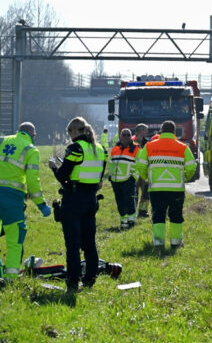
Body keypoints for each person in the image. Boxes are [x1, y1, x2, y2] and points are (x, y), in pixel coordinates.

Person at [49, 117, 106, 293]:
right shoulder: (100, 149)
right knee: (89, 242)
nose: (69, 135)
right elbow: (98, 177)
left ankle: (73, 280)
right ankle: (90, 277)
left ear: (74, 131)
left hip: (74, 199)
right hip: (91, 199)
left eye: (69, 132)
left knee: (73, 243)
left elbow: (62, 175)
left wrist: (54, 167)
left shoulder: (75, 148)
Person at [0, 122, 51, 283]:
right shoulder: (31, 150)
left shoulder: (2, 141)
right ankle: (10, 279)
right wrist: (42, 205)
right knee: (15, 241)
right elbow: (33, 181)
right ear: (33, 135)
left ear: (18, 131)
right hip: (12, 201)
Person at [136, 120, 196, 254]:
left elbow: (140, 164)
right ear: (174, 131)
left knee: (158, 215)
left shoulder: (149, 146)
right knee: (176, 215)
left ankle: (159, 244)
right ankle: (176, 243)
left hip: (157, 189)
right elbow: (192, 166)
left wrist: (147, 177)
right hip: (176, 189)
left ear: (161, 131)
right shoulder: (183, 147)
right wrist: (184, 178)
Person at [108, 129, 139, 230]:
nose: (126, 137)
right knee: (120, 202)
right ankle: (123, 221)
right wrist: (110, 175)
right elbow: (110, 163)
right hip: (115, 180)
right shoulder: (115, 149)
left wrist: (134, 177)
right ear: (120, 136)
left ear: (131, 136)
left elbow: (140, 164)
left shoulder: (136, 149)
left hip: (128, 179)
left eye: (128, 135)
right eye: (124, 135)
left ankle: (131, 221)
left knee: (130, 201)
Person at [133, 123, 151, 218]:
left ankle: (143, 211)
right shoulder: (131, 141)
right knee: (134, 193)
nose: (147, 132)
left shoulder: (146, 143)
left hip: (144, 171)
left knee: (145, 193)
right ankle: (133, 210)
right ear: (141, 131)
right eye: (146, 130)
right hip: (134, 172)